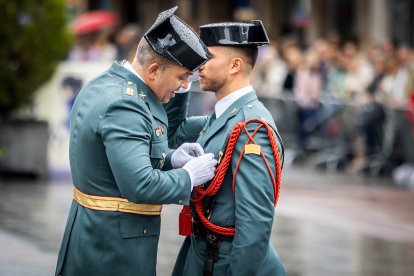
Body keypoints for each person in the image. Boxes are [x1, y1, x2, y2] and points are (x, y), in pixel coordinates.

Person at [55, 7, 218, 276]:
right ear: (153, 70)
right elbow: (140, 184)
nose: (181, 87)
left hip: (96, 234)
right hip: (112, 248)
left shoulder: (111, 83)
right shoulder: (126, 105)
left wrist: (169, 158)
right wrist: (187, 176)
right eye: (180, 77)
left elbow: (123, 156)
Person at [170, 21, 286, 275]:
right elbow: (173, 135)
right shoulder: (224, 116)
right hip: (201, 254)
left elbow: (254, 224)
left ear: (235, 65)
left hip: (224, 261)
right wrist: (181, 83)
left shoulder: (253, 129)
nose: (199, 64)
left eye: (208, 57)